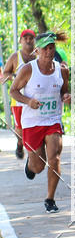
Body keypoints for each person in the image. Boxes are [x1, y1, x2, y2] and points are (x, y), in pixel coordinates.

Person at [9, 30, 71, 212]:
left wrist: (66, 96)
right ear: (37, 50)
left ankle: (50, 199)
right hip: (32, 122)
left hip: (52, 120)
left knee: (55, 157)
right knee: (38, 167)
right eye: (45, 49)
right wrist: (28, 101)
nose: (49, 52)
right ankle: (31, 164)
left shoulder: (62, 70)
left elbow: (63, 92)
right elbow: (13, 91)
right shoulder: (28, 70)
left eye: (51, 48)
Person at [0, 28, 37, 159]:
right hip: (19, 99)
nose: (28, 41)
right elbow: (5, 73)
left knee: (35, 126)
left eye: (30, 38)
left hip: (35, 99)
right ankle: (20, 142)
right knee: (20, 128)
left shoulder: (39, 55)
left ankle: (32, 151)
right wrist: (13, 77)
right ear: (20, 41)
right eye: (25, 38)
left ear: (34, 40)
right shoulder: (15, 57)